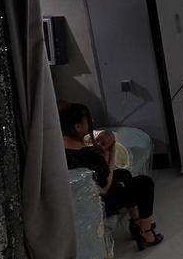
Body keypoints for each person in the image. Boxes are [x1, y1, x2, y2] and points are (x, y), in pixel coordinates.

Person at [59, 103, 163, 250]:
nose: (92, 122)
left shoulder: (59, 149)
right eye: (88, 120)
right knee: (145, 183)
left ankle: (136, 223)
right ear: (77, 127)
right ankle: (146, 232)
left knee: (124, 174)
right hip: (98, 204)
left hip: (74, 200)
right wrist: (111, 152)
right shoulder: (90, 157)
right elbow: (105, 187)